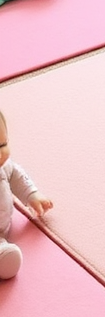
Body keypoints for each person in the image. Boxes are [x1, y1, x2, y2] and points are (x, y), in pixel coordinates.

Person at [0, 106, 53, 278]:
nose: (0, 154)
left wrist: (32, 195)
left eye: (3, 144)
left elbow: (16, 175)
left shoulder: (5, 167)